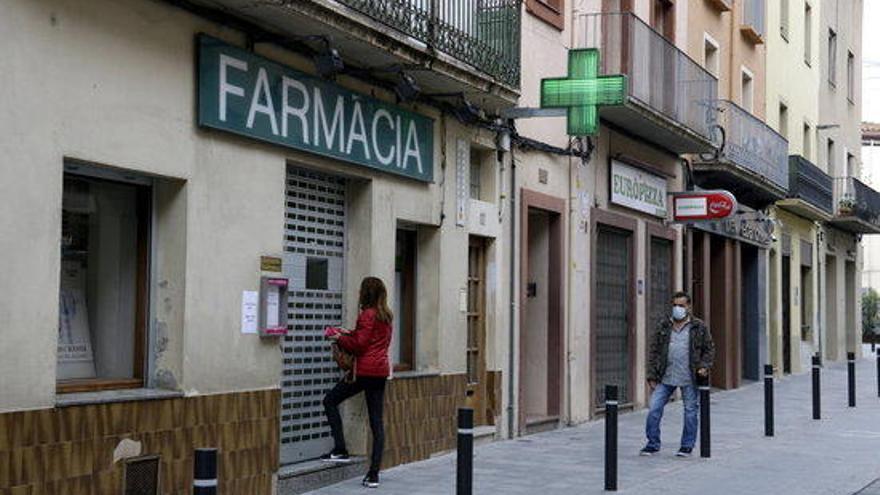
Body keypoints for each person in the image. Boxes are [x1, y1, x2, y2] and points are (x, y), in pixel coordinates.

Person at [322, 276, 393, 488]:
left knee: (330, 400)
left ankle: (340, 449)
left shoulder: (367, 315)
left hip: (364, 372)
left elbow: (360, 346)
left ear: (366, 293)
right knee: (376, 423)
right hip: (380, 372)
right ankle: (373, 475)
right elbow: (369, 340)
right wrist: (347, 333)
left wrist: (337, 337)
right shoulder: (386, 316)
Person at [641, 291, 715, 457]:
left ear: (688, 307)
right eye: (675, 305)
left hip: (689, 377)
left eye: (681, 306)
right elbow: (654, 351)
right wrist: (651, 375)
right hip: (665, 376)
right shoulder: (664, 325)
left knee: (690, 411)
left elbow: (709, 349)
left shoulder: (698, 326)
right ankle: (652, 443)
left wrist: (704, 366)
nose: (677, 309)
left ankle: (686, 446)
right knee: (654, 409)